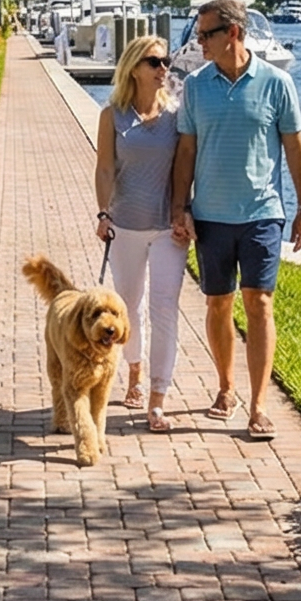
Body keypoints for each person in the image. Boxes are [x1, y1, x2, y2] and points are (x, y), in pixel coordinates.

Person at [169, 0, 301, 439]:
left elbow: (294, 147)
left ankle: (258, 406)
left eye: (206, 33)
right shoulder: (195, 86)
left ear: (233, 33)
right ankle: (225, 388)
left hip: (262, 214)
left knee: (260, 303)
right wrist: (181, 206)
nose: (198, 41)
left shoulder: (276, 83)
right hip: (211, 215)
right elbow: (186, 151)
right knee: (218, 303)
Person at [93, 34, 184, 433]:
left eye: (166, 63)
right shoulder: (112, 115)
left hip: (168, 228)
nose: (163, 69)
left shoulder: (177, 116)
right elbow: (104, 169)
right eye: (154, 63)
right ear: (134, 67)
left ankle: (158, 397)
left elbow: (185, 170)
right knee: (127, 307)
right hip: (125, 225)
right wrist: (103, 213)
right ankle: (133, 373)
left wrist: (186, 213)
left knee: (164, 309)